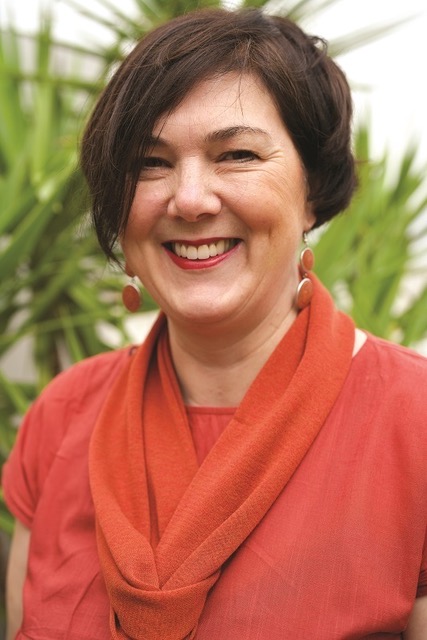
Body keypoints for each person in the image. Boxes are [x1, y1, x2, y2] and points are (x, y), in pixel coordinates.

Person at [3, 7, 427, 640]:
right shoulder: (61, 418)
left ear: (312, 188)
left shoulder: (413, 424)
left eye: (236, 153)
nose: (191, 198)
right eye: (150, 162)